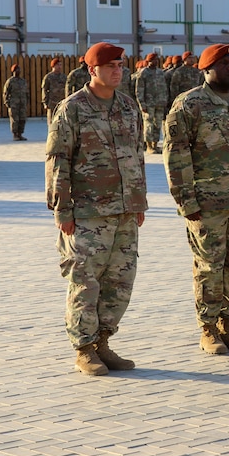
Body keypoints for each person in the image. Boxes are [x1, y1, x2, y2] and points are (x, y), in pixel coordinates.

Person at [45, 42, 148, 376]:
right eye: (111, 66)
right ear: (93, 70)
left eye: (121, 65)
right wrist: (62, 210)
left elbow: (138, 155)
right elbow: (57, 159)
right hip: (87, 213)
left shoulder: (129, 107)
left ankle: (103, 341)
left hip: (125, 211)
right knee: (85, 283)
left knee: (120, 281)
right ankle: (84, 349)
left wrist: (139, 201)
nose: (118, 71)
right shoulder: (73, 108)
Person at [163, 44, 229, 355]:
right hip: (207, 203)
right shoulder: (189, 104)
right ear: (206, 70)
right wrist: (186, 201)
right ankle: (207, 328)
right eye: (223, 63)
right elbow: (176, 156)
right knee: (209, 266)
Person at [135, 53, 169, 153]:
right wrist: (142, 104)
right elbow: (139, 90)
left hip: (160, 102)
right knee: (149, 125)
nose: (155, 62)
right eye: (153, 60)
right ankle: (149, 146)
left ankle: (155, 144)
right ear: (148, 61)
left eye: (156, 60)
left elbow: (164, 87)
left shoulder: (160, 72)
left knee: (157, 124)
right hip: (148, 103)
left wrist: (165, 100)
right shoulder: (143, 73)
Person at [2, 64, 29, 141]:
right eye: (16, 69)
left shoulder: (23, 81)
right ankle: (15, 134)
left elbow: (26, 92)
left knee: (22, 119)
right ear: (13, 71)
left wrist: (27, 100)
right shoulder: (10, 81)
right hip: (14, 104)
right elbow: (5, 93)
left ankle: (20, 134)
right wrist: (7, 102)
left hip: (22, 103)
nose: (18, 71)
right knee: (15, 120)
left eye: (19, 69)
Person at [41, 58, 67, 125]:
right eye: (58, 65)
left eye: (61, 65)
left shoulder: (64, 77)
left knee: (62, 121)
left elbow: (67, 89)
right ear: (53, 66)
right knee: (52, 122)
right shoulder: (48, 77)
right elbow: (44, 90)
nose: (60, 67)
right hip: (52, 103)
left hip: (62, 102)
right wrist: (45, 103)